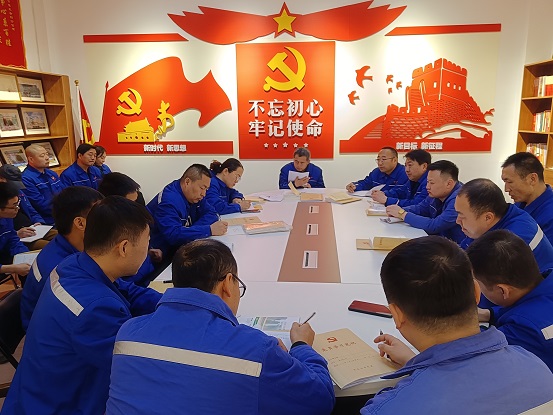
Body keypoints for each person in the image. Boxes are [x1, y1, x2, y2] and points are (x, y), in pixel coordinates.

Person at [106, 239, 335, 415]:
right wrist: (302, 346)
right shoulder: (255, 350)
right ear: (227, 283)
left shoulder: (127, 332)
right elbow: (320, 399)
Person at [2, 197, 162, 415]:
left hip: (39, 388)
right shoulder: (95, 308)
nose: (148, 248)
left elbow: (127, 291)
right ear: (124, 247)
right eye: (147, 241)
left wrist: (171, 302)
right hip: (58, 405)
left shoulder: (75, 263)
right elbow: (137, 366)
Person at [360, 236, 553, 415]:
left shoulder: (388, 408)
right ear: (476, 293)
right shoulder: (538, 368)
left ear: (396, 315)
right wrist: (414, 361)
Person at [467, 230, 553, 372]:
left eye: (477, 284)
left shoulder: (526, 330)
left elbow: (480, 348)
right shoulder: (545, 277)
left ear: (503, 291)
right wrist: (489, 314)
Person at [20, 186, 104, 331]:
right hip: (51, 330)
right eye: (101, 215)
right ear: (80, 223)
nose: (107, 220)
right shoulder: (61, 270)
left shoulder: (68, 245)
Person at [455, 178, 553, 272]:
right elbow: (464, 253)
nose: (457, 221)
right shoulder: (500, 217)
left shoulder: (510, 243)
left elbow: (473, 276)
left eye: (462, 216)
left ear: (488, 217)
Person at [147, 164, 226, 259]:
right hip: (159, 253)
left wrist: (192, 231)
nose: (204, 194)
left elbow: (212, 213)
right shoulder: (169, 201)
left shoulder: (195, 197)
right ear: (187, 182)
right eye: (202, 188)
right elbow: (173, 235)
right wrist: (208, 230)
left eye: (206, 189)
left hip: (179, 247)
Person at [98, 172, 162, 286]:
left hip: (148, 275)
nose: (135, 207)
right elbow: (122, 286)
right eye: (131, 203)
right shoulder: (105, 233)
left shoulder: (130, 217)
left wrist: (147, 251)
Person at [386, 160, 465, 244]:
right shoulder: (436, 194)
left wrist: (402, 214)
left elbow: (434, 226)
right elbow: (420, 208)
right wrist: (396, 210)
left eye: (432, 183)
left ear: (449, 184)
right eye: (427, 182)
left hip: (457, 247)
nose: (427, 187)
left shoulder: (460, 199)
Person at [501, 152, 553, 243]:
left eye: (510, 182)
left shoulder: (550, 215)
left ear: (532, 179)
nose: (506, 189)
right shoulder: (520, 202)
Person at [21, 143, 65, 225]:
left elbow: (64, 193)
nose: (47, 158)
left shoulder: (51, 173)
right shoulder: (26, 178)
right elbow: (40, 204)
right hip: (47, 220)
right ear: (31, 159)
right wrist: (64, 209)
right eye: (42, 156)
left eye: (47, 154)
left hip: (63, 214)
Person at [0, 182, 30, 278]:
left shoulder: (7, 218)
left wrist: (25, 255)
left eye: (17, 204)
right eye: (14, 206)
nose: (18, 208)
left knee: (29, 269)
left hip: (4, 254)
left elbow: (13, 239)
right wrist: (12, 268)